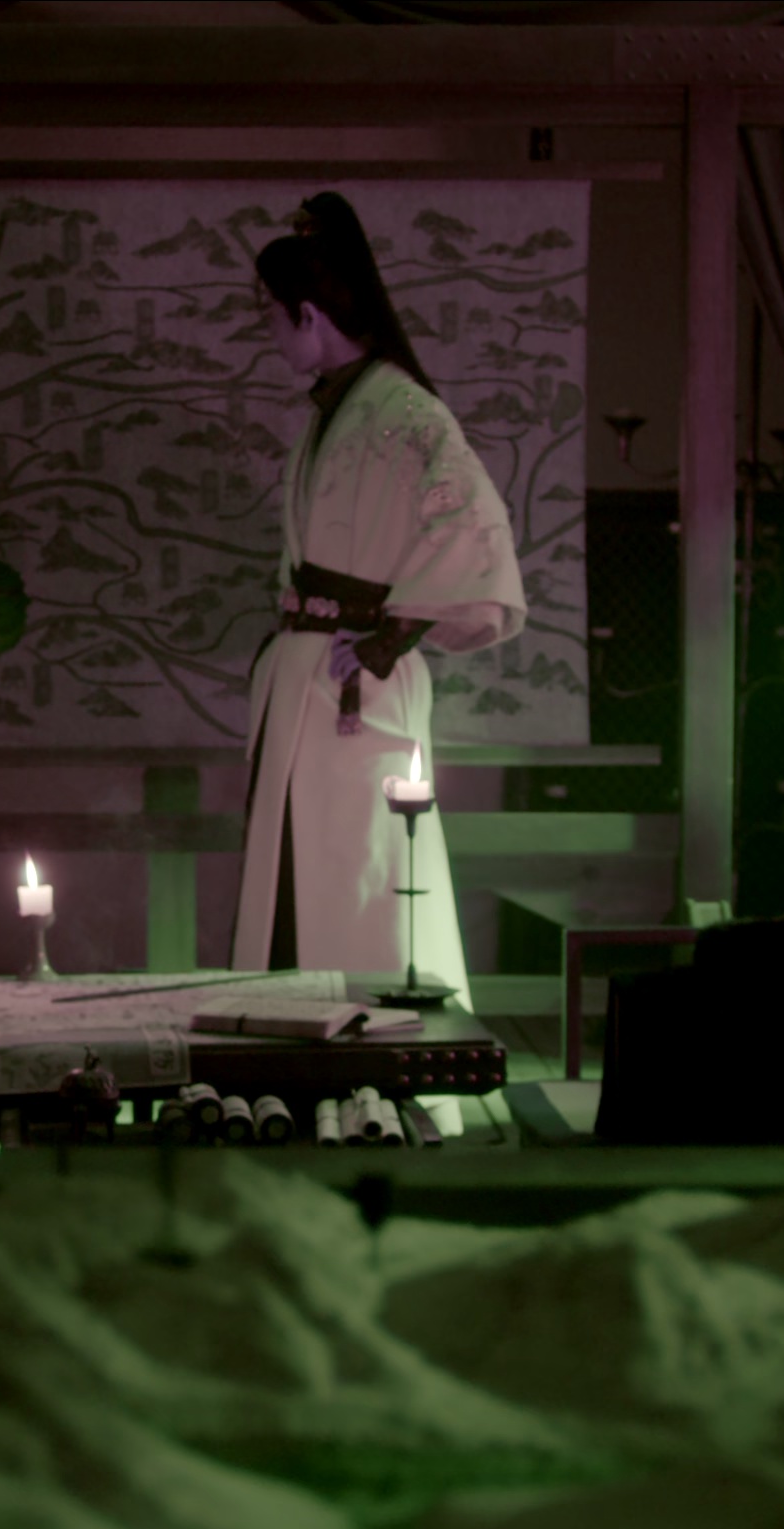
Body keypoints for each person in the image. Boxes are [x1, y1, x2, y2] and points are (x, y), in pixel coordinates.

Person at [229, 193, 527, 1008]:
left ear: (309, 314)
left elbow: (472, 528)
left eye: (270, 314)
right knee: (302, 869)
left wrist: (392, 637)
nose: (268, 331)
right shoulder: (342, 410)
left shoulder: (406, 412)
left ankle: (380, 1045)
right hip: (313, 670)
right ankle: (290, 1035)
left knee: (365, 874)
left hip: (354, 679)